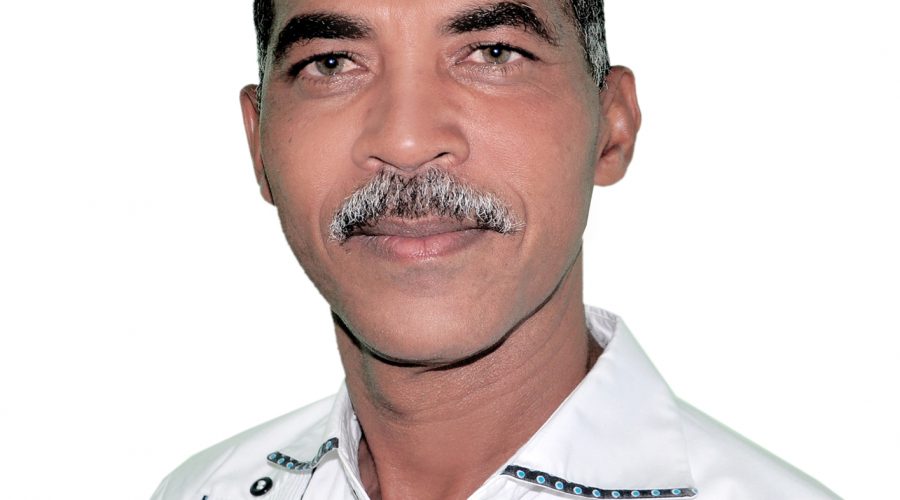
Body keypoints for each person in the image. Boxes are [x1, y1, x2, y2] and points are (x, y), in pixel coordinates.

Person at [152, 1, 839, 498]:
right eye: (331, 63)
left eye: (492, 53)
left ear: (612, 127)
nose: (407, 140)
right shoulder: (199, 489)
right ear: (259, 145)